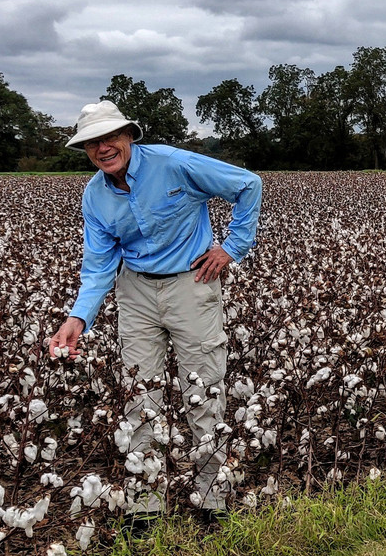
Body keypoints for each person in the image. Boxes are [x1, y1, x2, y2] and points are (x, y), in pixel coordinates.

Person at [48, 100, 261, 526]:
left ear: (129, 135)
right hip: (135, 290)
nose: (103, 148)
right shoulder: (95, 196)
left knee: (204, 386)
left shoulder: (174, 163)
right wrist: (77, 319)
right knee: (138, 394)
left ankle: (213, 498)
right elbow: (98, 264)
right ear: (85, 150)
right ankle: (146, 503)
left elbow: (248, 184)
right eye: (92, 143)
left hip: (191, 283)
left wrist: (232, 247)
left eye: (110, 137)